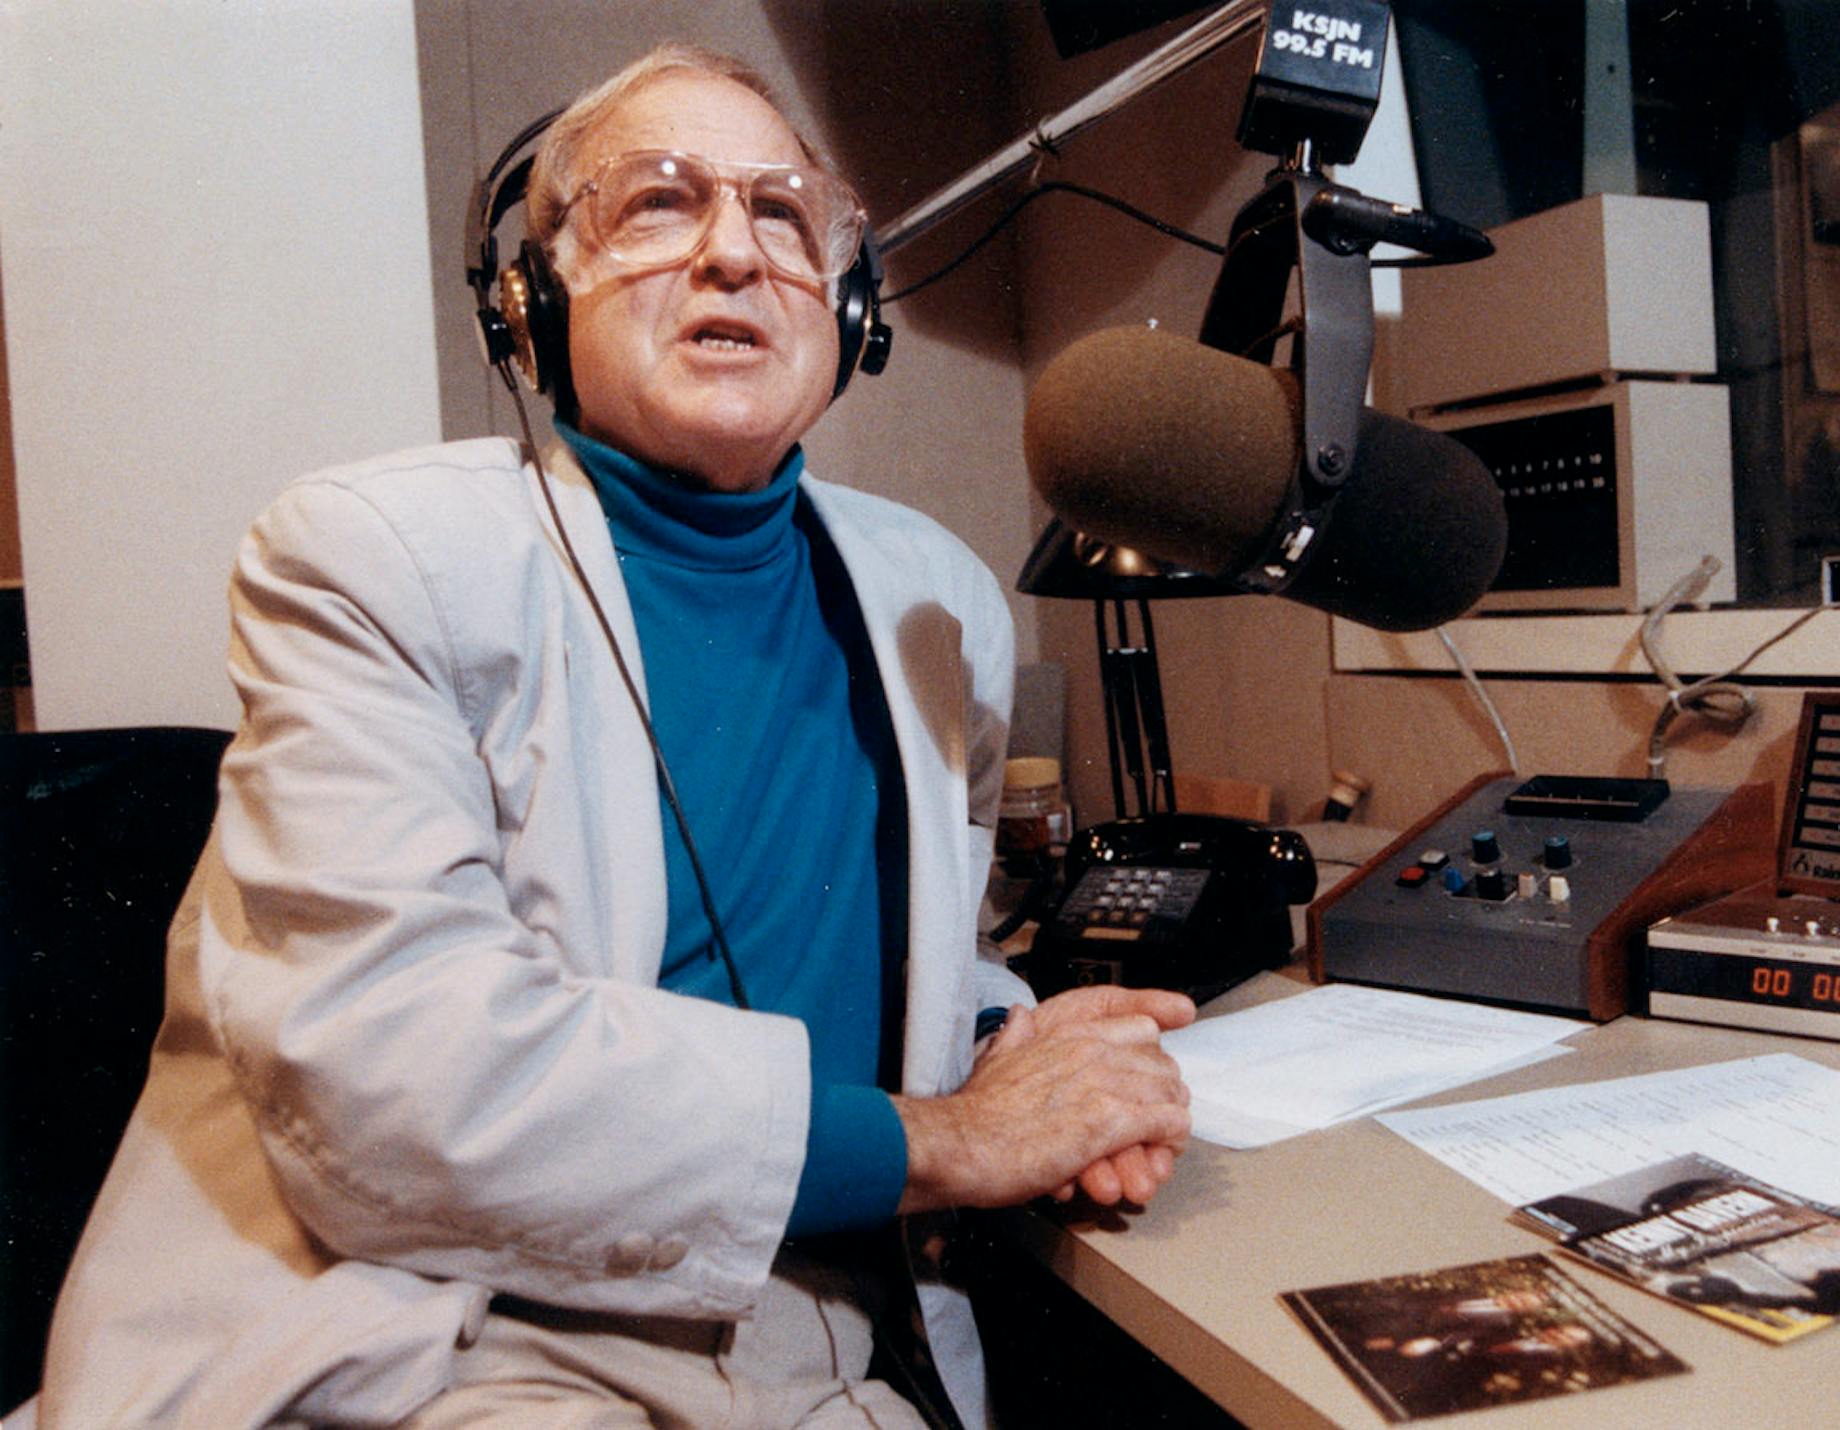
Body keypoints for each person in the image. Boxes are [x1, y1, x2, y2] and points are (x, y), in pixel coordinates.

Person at [40, 44, 1194, 1429]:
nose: (732, 252)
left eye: (782, 214)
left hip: (826, 1323)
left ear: (848, 306)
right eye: (659, 203)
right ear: (532, 304)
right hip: (444, 1325)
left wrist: (1023, 1050)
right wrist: (952, 1138)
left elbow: (914, 953)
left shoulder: (936, 595)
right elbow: (407, 1081)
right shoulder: (371, 555)